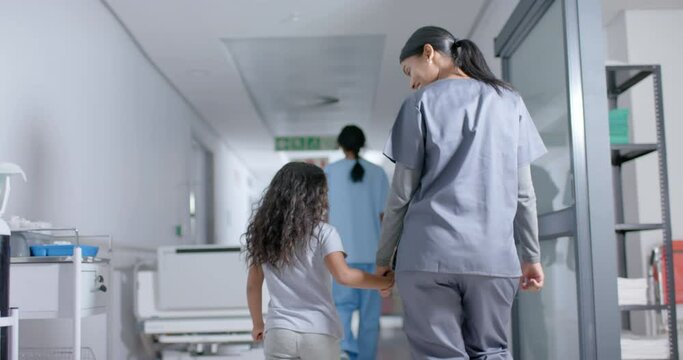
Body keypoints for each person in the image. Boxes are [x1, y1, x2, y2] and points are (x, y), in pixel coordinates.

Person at [376, 26, 547, 360]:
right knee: (493, 351)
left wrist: (384, 259)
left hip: (428, 256)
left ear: (429, 52)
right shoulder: (510, 102)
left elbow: (401, 196)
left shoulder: (418, 103)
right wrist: (531, 256)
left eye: (409, 71)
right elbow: (524, 194)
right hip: (494, 259)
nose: (412, 81)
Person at [244, 162, 394, 360]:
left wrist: (257, 324)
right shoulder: (324, 232)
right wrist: (385, 281)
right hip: (318, 331)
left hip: (279, 331)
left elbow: (253, 286)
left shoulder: (264, 233)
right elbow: (344, 276)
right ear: (314, 196)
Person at [324, 125, 390, 360]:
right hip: (373, 256)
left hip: (341, 256)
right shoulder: (378, 173)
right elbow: (385, 217)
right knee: (370, 317)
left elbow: (322, 215)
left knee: (342, 308)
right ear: (362, 144)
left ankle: (346, 352)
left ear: (341, 145)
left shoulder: (329, 172)